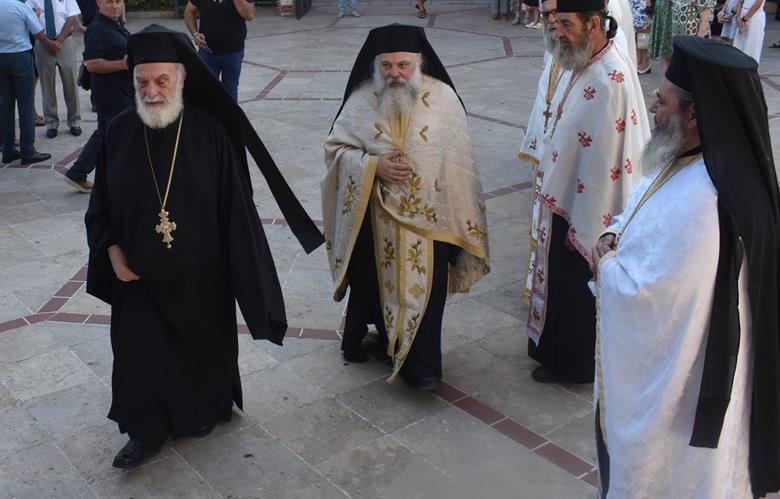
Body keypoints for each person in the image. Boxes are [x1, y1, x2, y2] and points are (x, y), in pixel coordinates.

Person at [85, 24, 322, 470]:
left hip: (201, 279)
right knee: (139, 356)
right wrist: (111, 252)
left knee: (201, 356)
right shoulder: (118, 132)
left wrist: (248, 279)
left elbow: (236, 211)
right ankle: (144, 431)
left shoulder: (210, 132)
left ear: (181, 79)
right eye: (142, 82)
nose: (152, 92)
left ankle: (200, 412)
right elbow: (100, 207)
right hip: (138, 279)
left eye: (162, 81)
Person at [592, 36, 780, 498]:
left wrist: (607, 266)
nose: (653, 109)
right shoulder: (689, 159)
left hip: (686, 392)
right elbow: (643, 207)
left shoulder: (706, 202)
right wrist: (616, 232)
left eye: (662, 101)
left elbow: (656, 303)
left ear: (694, 115)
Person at [322, 25, 490, 391]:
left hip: (429, 222)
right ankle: (383, 338)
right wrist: (372, 166)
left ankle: (422, 366)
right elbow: (335, 151)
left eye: (403, 65)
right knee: (372, 284)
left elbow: (459, 163)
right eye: (386, 66)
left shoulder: (443, 99)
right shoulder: (362, 98)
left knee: (425, 293)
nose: (394, 74)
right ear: (376, 65)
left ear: (419, 63)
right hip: (374, 217)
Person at [524, 0, 650, 384]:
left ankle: (573, 366)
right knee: (562, 282)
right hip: (567, 198)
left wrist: (580, 207)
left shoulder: (610, 80)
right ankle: (555, 354)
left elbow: (605, 161)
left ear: (593, 24)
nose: (556, 31)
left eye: (566, 24)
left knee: (575, 285)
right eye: (555, 22)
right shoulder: (583, 61)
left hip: (588, 207)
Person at [63, 0, 131, 193]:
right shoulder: (97, 29)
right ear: (99, 3)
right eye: (110, 2)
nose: (115, 6)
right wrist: (123, 64)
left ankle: (78, 173)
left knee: (105, 133)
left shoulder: (115, 25)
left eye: (118, 1)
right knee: (120, 133)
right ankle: (117, 177)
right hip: (111, 95)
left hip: (120, 91)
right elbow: (92, 64)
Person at [1, 0, 56, 165]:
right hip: (20, 57)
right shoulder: (21, 7)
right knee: (26, 105)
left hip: (1, 58)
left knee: (5, 105)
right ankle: (27, 150)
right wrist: (36, 15)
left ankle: (8, 149)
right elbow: (37, 32)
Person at [29, 0, 82, 139]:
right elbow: (30, 22)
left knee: (71, 83)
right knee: (47, 86)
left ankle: (74, 121)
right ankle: (51, 123)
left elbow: (70, 18)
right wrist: (48, 42)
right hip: (42, 44)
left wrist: (59, 41)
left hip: (66, 42)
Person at [184, 0, 255, 101]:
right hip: (207, 51)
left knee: (230, 92)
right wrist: (195, 34)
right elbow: (189, 11)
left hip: (233, 53)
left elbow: (249, 15)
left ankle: (230, 112)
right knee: (207, 92)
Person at [649, 0, 715, 72]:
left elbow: (705, 20)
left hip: (692, 40)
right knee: (670, 62)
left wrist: (697, 45)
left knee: (690, 69)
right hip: (677, 37)